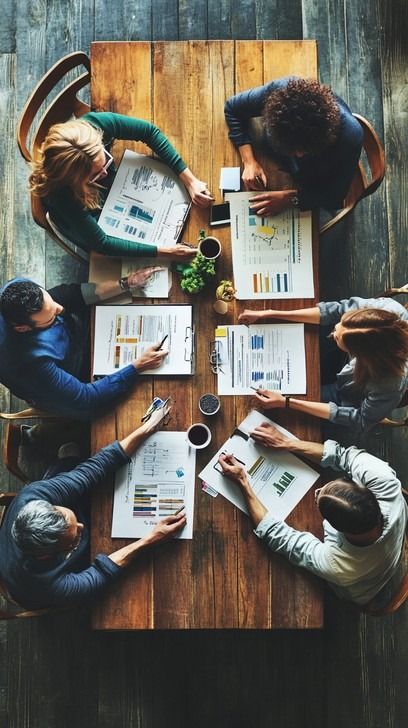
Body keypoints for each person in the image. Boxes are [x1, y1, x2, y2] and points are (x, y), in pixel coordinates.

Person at [0, 403, 187, 609]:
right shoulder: (45, 585)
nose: (81, 526)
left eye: (72, 519)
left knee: (76, 463)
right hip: (35, 590)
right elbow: (100, 572)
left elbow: (91, 471)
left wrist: (148, 427)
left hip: (24, 543)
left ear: (50, 506)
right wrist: (151, 538)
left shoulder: (33, 496)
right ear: (47, 554)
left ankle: (65, 462)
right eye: (74, 539)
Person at [218, 426, 407, 606]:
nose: (317, 492)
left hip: (362, 589)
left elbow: (279, 537)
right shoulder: (386, 481)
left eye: (319, 497)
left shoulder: (337, 566)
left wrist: (243, 481)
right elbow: (341, 454)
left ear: (338, 530)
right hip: (393, 544)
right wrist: (285, 442)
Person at [29, 112, 214, 257]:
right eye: (95, 175)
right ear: (73, 181)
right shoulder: (63, 196)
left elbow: (148, 131)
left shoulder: (92, 127)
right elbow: (102, 243)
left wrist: (191, 181)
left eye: (106, 161)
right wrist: (165, 252)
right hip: (87, 224)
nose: (106, 172)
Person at [0, 272, 169, 420]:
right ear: (23, 328)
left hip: (73, 345)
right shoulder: (32, 364)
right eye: (52, 317)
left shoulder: (16, 290)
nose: (60, 308)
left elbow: (68, 295)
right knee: (106, 408)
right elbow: (87, 397)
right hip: (63, 386)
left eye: (52, 303)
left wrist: (125, 283)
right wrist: (138, 366)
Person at [239, 295, 408, 434]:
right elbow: (332, 311)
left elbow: (361, 420)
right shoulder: (387, 310)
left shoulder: (389, 384)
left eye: (337, 337)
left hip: (346, 394)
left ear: (361, 355)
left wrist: (287, 402)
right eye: (341, 323)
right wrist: (269, 314)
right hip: (346, 368)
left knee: (285, 399)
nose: (334, 329)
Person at [224, 77, 364, 215]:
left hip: (313, 179)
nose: (298, 155)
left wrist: (290, 199)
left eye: (304, 150)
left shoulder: (350, 137)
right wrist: (249, 162)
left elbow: (334, 198)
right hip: (274, 161)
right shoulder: (279, 91)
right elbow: (232, 108)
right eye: (292, 149)